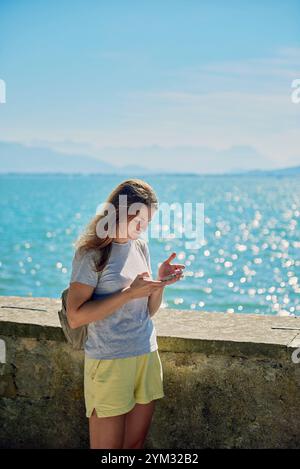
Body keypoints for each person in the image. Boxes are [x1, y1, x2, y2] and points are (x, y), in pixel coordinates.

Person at [66, 178, 185, 449]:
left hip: (145, 353)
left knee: (134, 445)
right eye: (139, 220)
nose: (143, 228)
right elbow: (75, 316)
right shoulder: (92, 254)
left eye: (148, 222)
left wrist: (160, 283)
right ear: (120, 212)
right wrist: (129, 293)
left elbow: (147, 312)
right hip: (109, 361)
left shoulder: (140, 246)